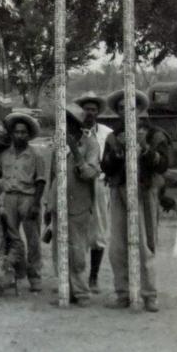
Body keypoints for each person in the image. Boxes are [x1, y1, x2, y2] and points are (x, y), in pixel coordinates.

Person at [101, 89, 169, 313]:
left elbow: (162, 165)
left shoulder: (154, 134)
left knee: (144, 244)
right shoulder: (113, 136)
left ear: (139, 109)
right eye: (121, 109)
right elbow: (106, 167)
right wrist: (118, 152)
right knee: (118, 247)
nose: (126, 112)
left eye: (130, 108)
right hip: (119, 190)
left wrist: (144, 149)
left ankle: (149, 294)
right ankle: (123, 291)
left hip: (144, 190)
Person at [44, 104, 100, 307]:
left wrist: (76, 153)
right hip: (59, 203)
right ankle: (65, 290)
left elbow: (90, 174)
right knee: (59, 250)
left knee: (77, 251)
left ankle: (81, 292)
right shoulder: (58, 147)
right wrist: (47, 205)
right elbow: (52, 175)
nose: (64, 126)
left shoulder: (91, 144)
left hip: (79, 204)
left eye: (68, 122)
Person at [0, 111, 46, 292]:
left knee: (33, 239)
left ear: (28, 134)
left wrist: (35, 203)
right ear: (11, 133)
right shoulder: (4, 155)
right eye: (17, 132)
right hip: (9, 196)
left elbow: (40, 180)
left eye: (23, 132)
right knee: (10, 237)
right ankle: (15, 272)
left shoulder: (36, 155)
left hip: (28, 197)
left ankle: (35, 276)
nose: (20, 135)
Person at [74, 91, 113, 292]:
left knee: (98, 230)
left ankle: (94, 277)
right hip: (77, 185)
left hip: (98, 184)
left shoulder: (106, 133)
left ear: (98, 112)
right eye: (86, 109)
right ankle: (75, 278)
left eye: (93, 109)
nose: (89, 113)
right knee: (76, 228)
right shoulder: (73, 131)